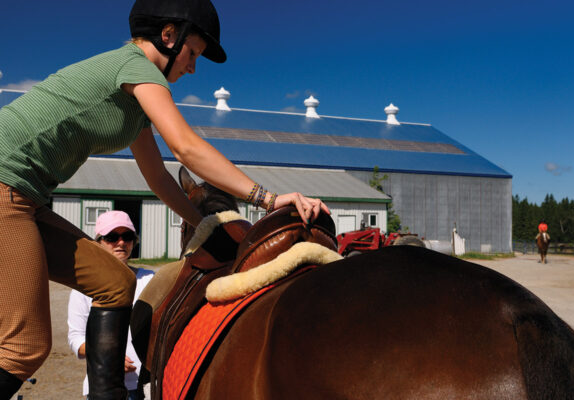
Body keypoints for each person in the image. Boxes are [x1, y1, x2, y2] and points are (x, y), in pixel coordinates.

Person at [0, 0, 329, 398]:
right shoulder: (135, 66)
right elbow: (186, 148)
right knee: (24, 349)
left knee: (115, 281)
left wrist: (206, 224)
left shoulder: (135, 101)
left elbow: (157, 177)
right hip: (5, 186)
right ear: (168, 36)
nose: (192, 68)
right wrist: (268, 198)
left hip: (26, 197)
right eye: (193, 54)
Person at [68, 211, 153, 400]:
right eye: (112, 237)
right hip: (103, 386)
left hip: (148, 386)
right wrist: (109, 357)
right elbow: (76, 339)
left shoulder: (150, 280)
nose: (121, 243)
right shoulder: (83, 287)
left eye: (128, 236)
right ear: (98, 242)